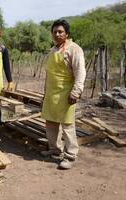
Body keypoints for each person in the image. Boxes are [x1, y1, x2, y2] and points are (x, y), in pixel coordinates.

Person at [41, 19, 86, 169]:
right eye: (54, 32)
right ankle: (55, 149)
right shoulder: (53, 50)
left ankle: (71, 156)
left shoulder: (74, 49)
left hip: (67, 94)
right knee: (51, 122)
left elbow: (80, 72)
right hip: (51, 93)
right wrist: (45, 93)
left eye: (60, 32)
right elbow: (49, 73)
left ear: (67, 33)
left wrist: (76, 91)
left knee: (67, 125)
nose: (57, 34)